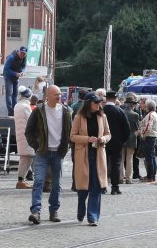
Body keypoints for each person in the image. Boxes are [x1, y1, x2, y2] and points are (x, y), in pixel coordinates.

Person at [22, 84, 71, 224]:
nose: (59, 96)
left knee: (57, 184)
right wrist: (36, 146)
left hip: (58, 153)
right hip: (42, 152)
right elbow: (29, 131)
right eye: (56, 94)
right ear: (47, 96)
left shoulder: (66, 111)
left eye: (59, 94)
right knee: (38, 181)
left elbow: (70, 130)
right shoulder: (39, 110)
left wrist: (66, 146)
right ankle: (36, 211)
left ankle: (53, 211)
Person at [71, 94, 110, 226]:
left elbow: (108, 134)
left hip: (98, 155)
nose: (98, 104)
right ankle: (81, 209)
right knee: (83, 188)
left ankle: (92, 216)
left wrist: (102, 139)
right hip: (83, 155)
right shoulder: (78, 117)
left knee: (96, 186)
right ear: (89, 103)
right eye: (96, 102)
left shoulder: (103, 117)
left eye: (99, 102)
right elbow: (72, 136)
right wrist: (87, 139)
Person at [100, 91, 131, 195]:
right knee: (115, 165)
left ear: (106, 98)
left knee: (103, 164)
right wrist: (122, 141)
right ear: (115, 98)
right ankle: (115, 187)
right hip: (117, 143)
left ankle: (102, 186)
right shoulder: (120, 111)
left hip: (103, 142)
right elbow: (127, 129)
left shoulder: (101, 111)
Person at [13, 93, 38, 189]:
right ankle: (21, 181)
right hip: (27, 136)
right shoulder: (25, 107)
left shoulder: (17, 106)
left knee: (24, 158)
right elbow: (31, 121)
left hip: (20, 135)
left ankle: (21, 180)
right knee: (27, 158)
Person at [136, 99, 157, 181]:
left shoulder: (150, 115)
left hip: (149, 137)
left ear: (148, 107)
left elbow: (148, 126)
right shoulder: (155, 114)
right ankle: (152, 175)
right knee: (151, 157)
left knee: (149, 157)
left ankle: (150, 176)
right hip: (152, 137)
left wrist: (141, 132)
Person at [120, 95, 140, 183]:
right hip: (132, 137)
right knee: (129, 158)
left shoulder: (121, 112)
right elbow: (137, 127)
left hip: (122, 138)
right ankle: (128, 178)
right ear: (133, 105)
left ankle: (120, 177)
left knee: (121, 158)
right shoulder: (135, 115)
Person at [2, 46, 28, 110]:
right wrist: (15, 73)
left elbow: (23, 67)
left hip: (16, 77)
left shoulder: (24, 58)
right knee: (9, 93)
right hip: (8, 76)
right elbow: (6, 69)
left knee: (15, 94)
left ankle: (15, 109)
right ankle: (10, 110)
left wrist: (22, 72)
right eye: (21, 53)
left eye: (24, 54)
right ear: (18, 52)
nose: (22, 55)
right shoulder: (11, 58)